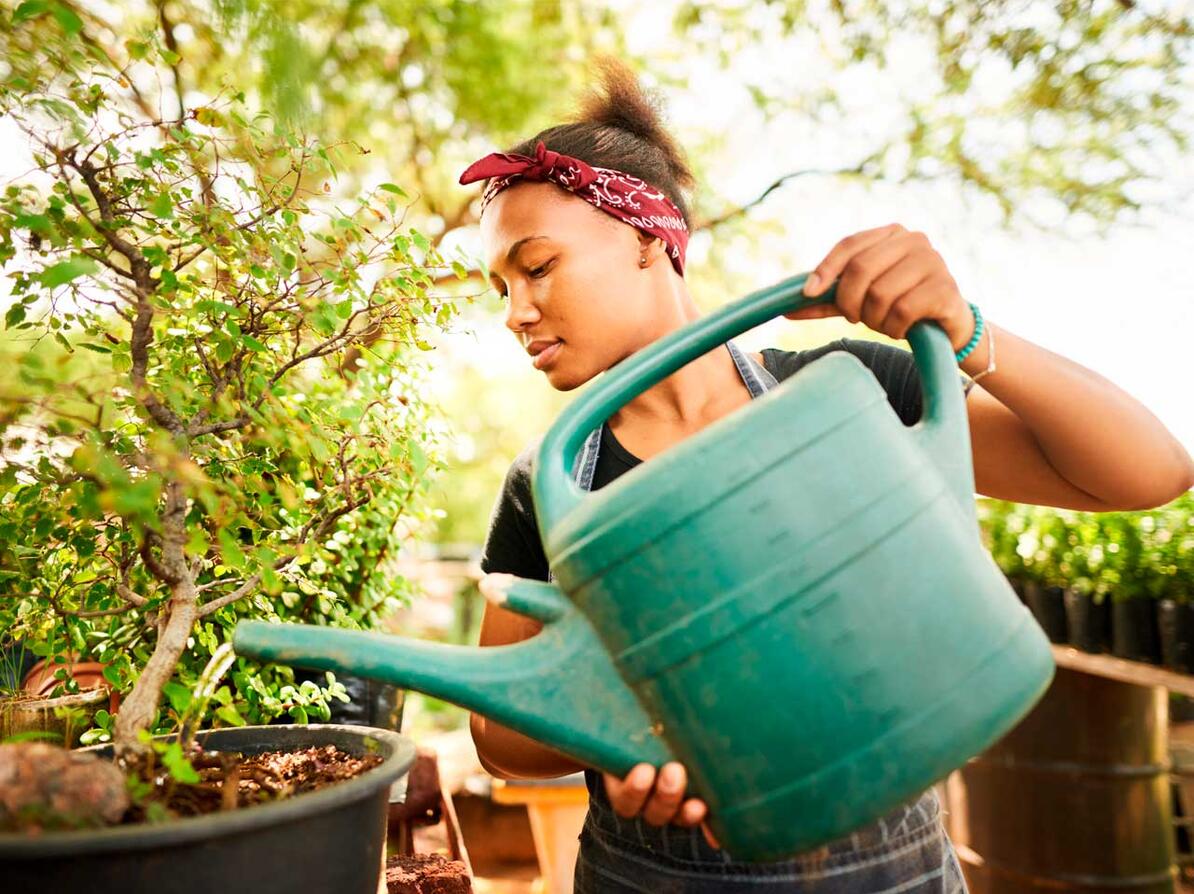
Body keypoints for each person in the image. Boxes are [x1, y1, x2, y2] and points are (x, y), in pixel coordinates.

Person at [460, 58, 1194, 893]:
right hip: (647, 874)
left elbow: (1148, 471)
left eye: (538, 266)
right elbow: (500, 740)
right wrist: (638, 721)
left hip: (886, 872)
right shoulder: (547, 487)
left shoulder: (843, 394)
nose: (513, 311)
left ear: (647, 242)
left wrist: (962, 326)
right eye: (502, 285)